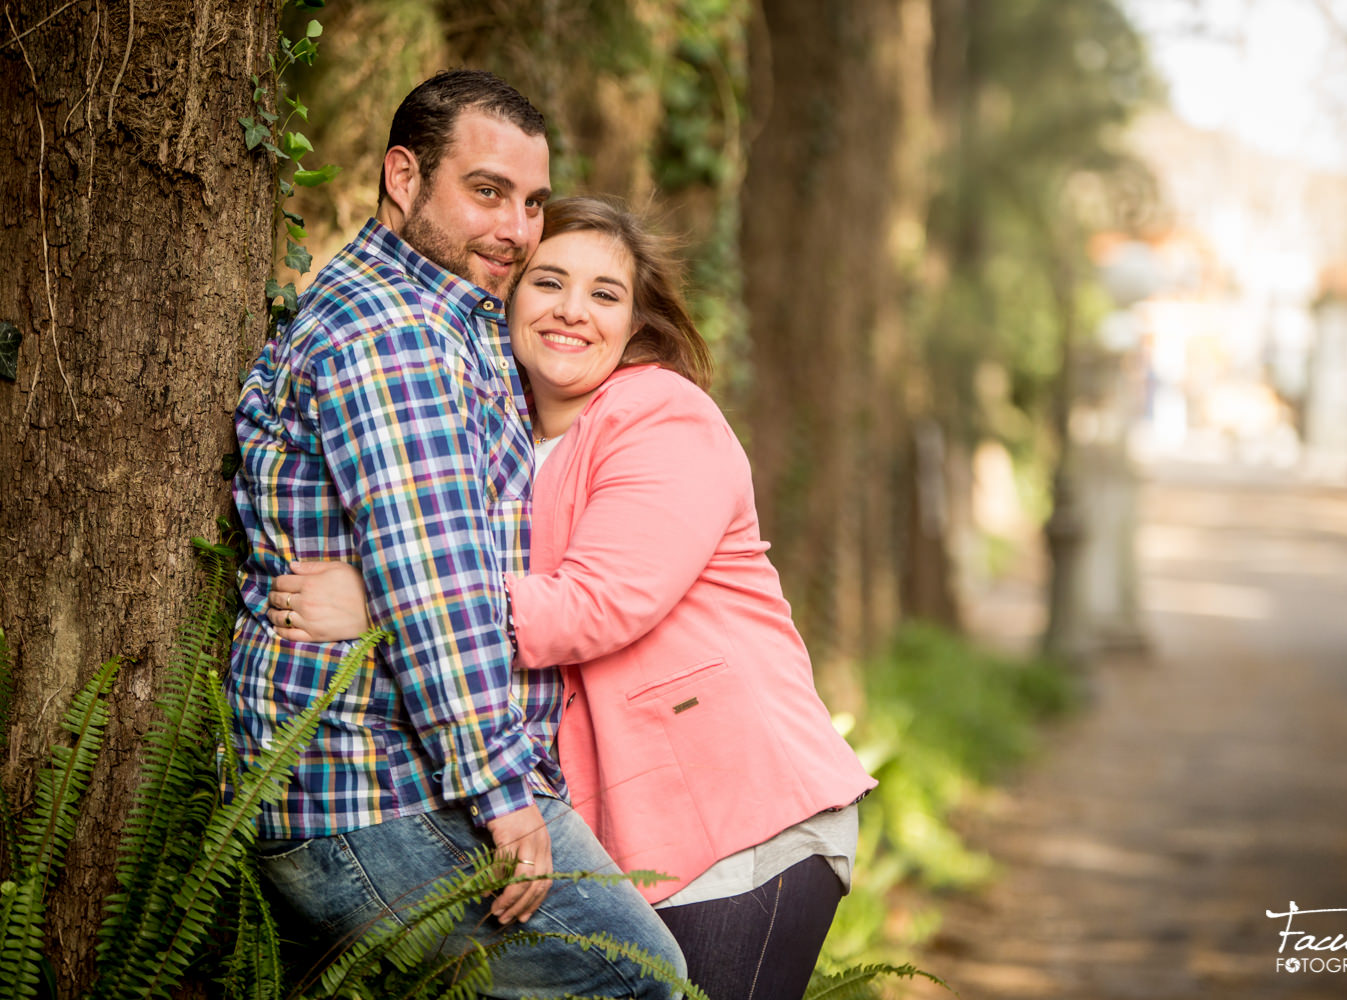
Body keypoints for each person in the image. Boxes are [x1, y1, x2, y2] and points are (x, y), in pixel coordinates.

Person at [269, 197, 877, 999]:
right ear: (508, 297)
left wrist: (382, 605)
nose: (571, 312)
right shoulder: (496, 430)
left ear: (636, 321)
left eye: (604, 294)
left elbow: (598, 600)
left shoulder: (663, 416)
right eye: (547, 281)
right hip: (620, 830)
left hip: (740, 814)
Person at [226, 72, 685, 999]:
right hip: (376, 790)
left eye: (532, 203)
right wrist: (504, 799)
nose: (516, 231)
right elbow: (435, 590)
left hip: (407, 772)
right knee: (636, 979)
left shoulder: (449, 320)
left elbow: (448, 561)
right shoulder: (390, 337)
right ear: (404, 177)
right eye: (486, 192)